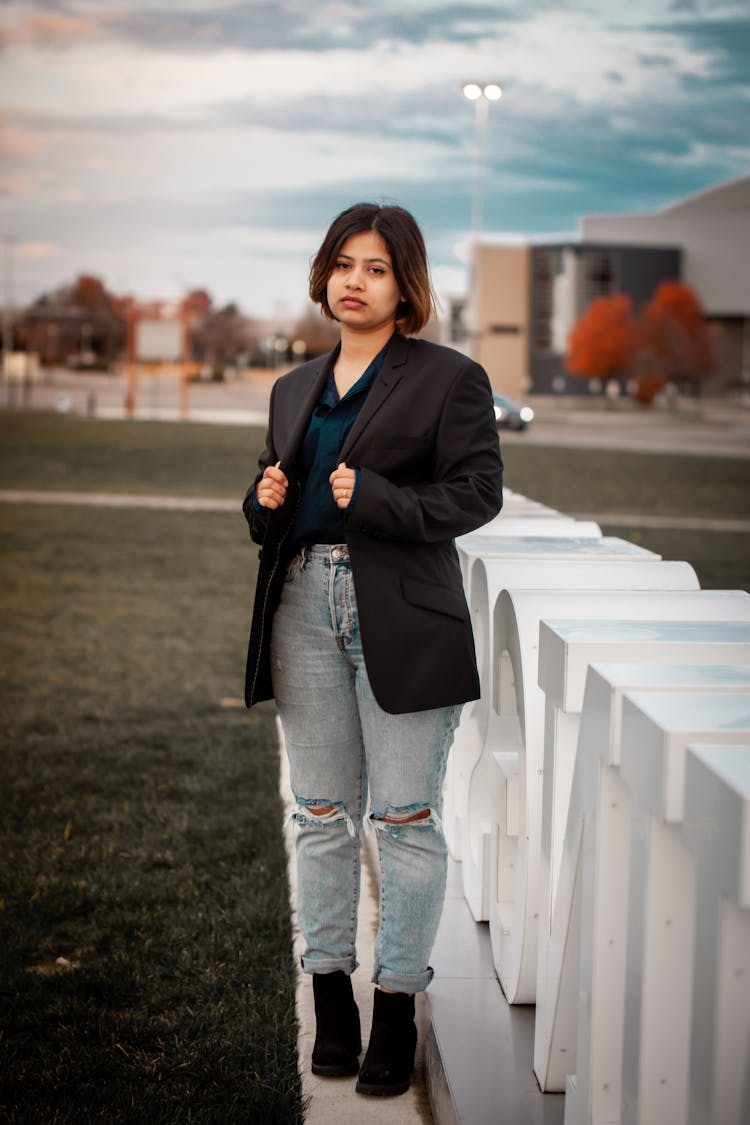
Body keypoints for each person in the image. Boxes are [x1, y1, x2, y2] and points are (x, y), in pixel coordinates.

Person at [242, 202, 503, 1097]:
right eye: (343, 263)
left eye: (376, 268)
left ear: (406, 286)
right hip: (302, 603)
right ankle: (332, 997)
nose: (354, 280)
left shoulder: (449, 378)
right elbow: (271, 509)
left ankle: (396, 1002)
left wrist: (381, 497)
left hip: (403, 608)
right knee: (319, 812)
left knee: (404, 818)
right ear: (324, 274)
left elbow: (477, 494)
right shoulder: (292, 386)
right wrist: (265, 500)